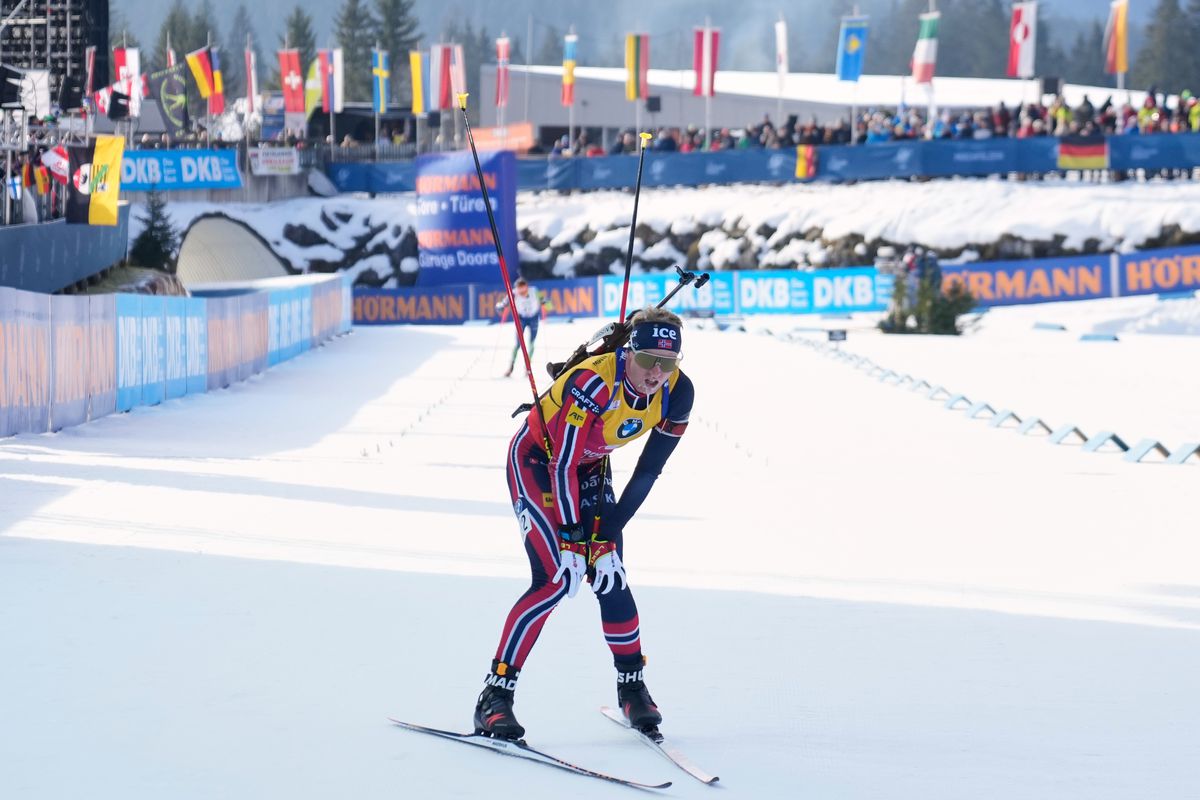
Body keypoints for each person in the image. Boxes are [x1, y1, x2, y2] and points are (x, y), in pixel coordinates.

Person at [473, 306, 695, 740]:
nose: (656, 373)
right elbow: (562, 464)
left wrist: (606, 537)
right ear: (629, 352)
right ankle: (494, 697)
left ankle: (632, 687)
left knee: (610, 576)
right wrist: (575, 542)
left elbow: (648, 472)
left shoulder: (678, 392)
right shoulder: (593, 382)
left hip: (590, 468)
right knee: (555, 578)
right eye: (648, 359)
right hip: (540, 461)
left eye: (667, 363)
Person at [495, 277, 552, 377]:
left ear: (526, 287)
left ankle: (527, 368)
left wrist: (546, 304)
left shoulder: (534, 291)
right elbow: (503, 303)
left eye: (523, 288)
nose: (521, 291)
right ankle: (510, 368)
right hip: (521, 319)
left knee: (532, 343)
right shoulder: (513, 293)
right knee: (517, 344)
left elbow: (546, 302)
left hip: (533, 318)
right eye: (519, 288)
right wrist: (500, 307)